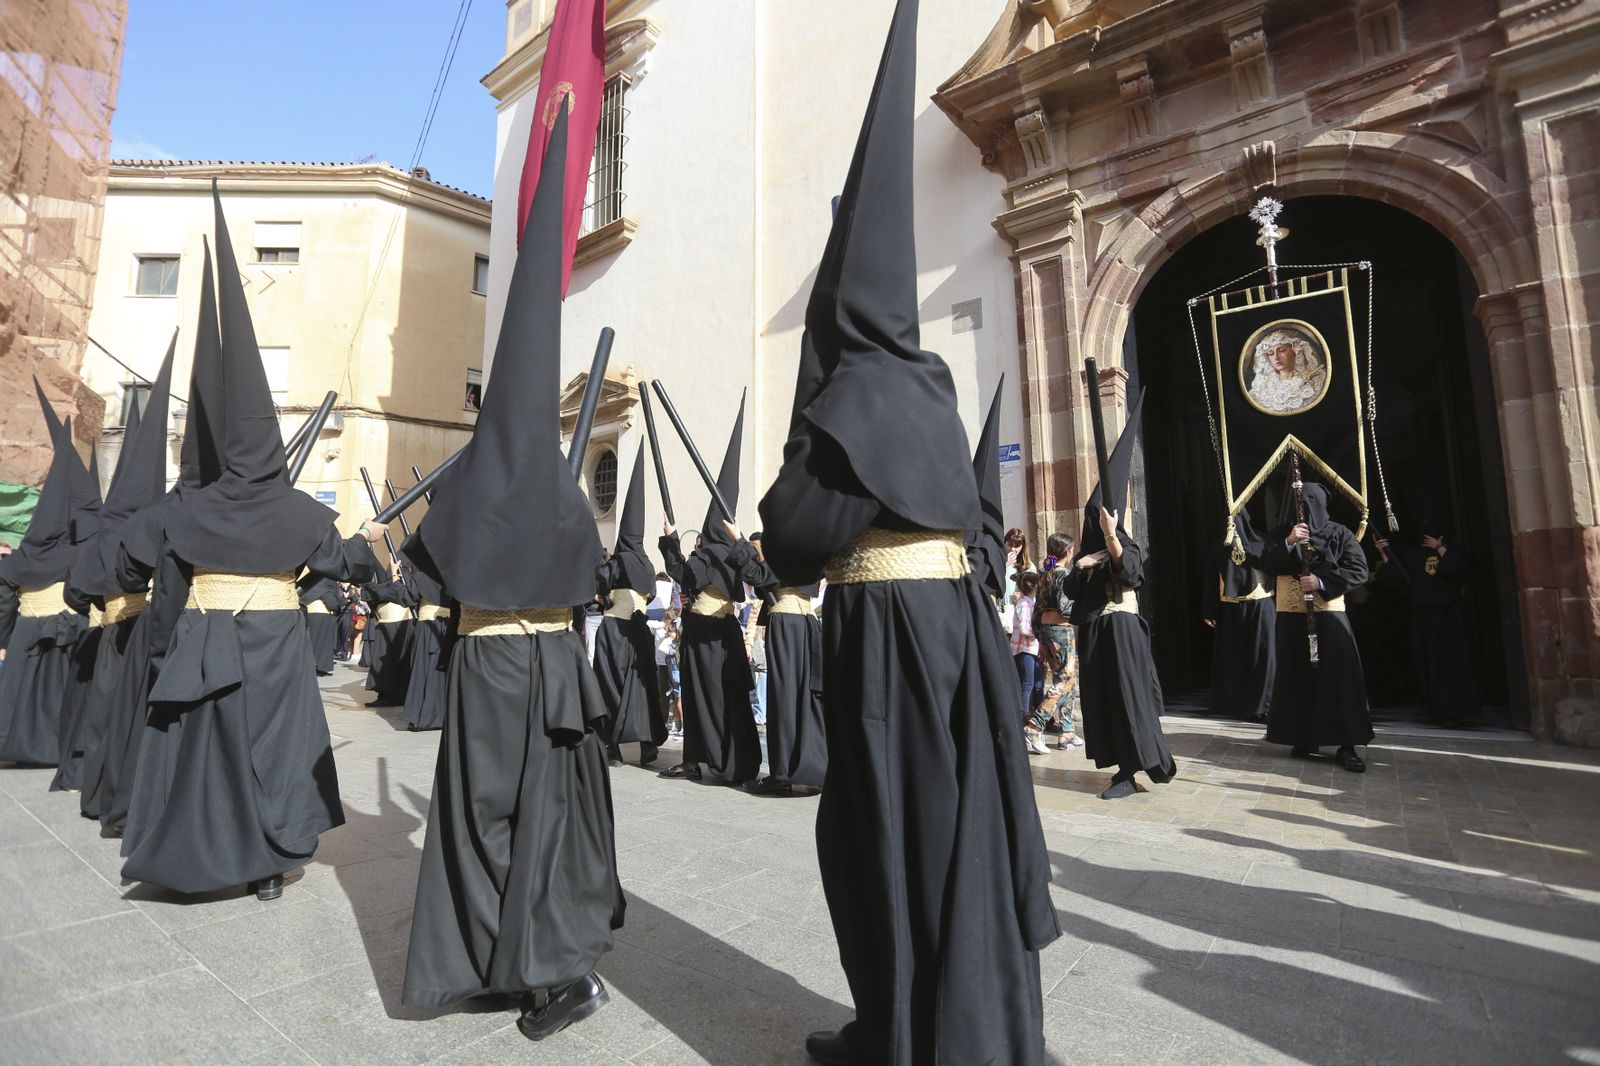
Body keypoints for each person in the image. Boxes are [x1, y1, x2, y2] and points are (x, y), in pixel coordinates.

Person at [758, 3, 1058, 1060]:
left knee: (883, 838)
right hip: (955, 635)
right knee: (960, 831)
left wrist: (806, 431)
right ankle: (970, 1028)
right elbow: (970, 523)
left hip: (884, 639)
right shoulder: (932, 390)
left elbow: (792, 540)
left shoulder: (850, 402)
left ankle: (903, 1035)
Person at [398, 108, 621, 1039]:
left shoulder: (469, 484)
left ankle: (537, 967)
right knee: (548, 817)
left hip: (492, 663)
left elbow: (424, 569)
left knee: (484, 816)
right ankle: (534, 965)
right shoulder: (567, 499)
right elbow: (593, 576)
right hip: (557, 667)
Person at [120, 187, 383, 902]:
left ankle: (193, 861)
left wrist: (164, 648)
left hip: (202, 636)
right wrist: (368, 542)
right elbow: (349, 565)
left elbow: (164, 582)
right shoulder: (299, 511)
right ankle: (268, 867)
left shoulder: (189, 509)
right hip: (274, 642)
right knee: (274, 751)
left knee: (208, 752)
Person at [73, 333, 178, 827]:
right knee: (130, 722)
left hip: (109, 630)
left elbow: (79, 590)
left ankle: (96, 799)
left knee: (103, 718)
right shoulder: (157, 520)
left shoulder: (104, 526)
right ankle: (124, 805)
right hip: (142, 630)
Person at [1062, 391, 1178, 800]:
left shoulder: (1124, 544)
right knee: (1104, 700)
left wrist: (1110, 536)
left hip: (1122, 630)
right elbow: (1069, 589)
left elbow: (1128, 572)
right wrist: (1080, 565)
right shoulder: (1085, 554)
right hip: (1095, 632)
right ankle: (1120, 766)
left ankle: (1135, 769)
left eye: (1100, 518)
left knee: (1128, 697)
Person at [656, 394, 763, 786]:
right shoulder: (734, 553)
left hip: (703, 635)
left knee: (704, 697)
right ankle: (737, 761)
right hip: (728, 633)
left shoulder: (706, 555)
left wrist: (671, 539)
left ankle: (706, 759)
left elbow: (681, 574)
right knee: (729, 697)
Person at [0, 392, 92, 769]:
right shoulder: (79, 553)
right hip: (70, 629)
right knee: (58, 694)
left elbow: (5, 601)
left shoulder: (21, 558)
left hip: (27, 631)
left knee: (23, 691)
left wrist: (4, 639)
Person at [1261, 480, 1373, 771]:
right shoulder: (1282, 534)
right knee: (1298, 676)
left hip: (1328, 617)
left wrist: (1321, 582)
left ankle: (1346, 744)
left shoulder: (1339, 533)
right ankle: (1302, 736)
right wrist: (1289, 542)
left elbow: (1358, 569)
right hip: (1292, 618)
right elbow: (1268, 565)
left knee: (1338, 679)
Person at [593, 450, 666, 765]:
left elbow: (600, 583)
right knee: (643, 685)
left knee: (610, 684)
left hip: (614, 629)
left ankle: (612, 745)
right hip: (640, 631)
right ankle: (648, 743)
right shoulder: (647, 563)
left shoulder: (619, 559)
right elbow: (651, 594)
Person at [1375, 516, 1480, 725]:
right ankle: (1436, 711)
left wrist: (1440, 548)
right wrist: (1384, 553)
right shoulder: (1413, 555)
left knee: (1453, 663)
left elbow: (1457, 569)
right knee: (1429, 663)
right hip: (1423, 616)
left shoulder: (1454, 551)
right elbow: (1394, 577)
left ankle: (1458, 711)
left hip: (1450, 616)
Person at [744, 531, 826, 796]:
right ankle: (811, 769)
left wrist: (740, 545)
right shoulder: (812, 550)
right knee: (806, 698)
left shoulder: (784, 553)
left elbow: (756, 576)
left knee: (784, 698)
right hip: (808, 622)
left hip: (785, 622)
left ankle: (783, 775)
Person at [1202, 509, 1276, 721]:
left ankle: (1263, 706)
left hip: (1260, 606)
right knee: (1234, 659)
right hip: (1230, 608)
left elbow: (1273, 568)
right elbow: (1211, 578)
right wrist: (1209, 609)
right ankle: (1232, 704)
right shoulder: (1218, 546)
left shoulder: (1261, 542)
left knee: (1263, 657)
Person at [1035, 534, 1081, 751]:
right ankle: (1034, 726)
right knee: (1064, 680)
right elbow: (1065, 607)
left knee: (1067, 679)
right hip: (1061, 631)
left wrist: (1040, 639)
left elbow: (1037, 610)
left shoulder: (1044, 574)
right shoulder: (1063, 574)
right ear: (1068, 551)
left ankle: (1067, 731)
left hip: (1047, 630)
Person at [1012, 570, 1051, 755]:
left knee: (1037, 684)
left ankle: (1036, 719)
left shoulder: (1029, 603)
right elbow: (1025, 628)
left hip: (1032, 650)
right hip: (1024, 649)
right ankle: (1024, 718)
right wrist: (1041, 633)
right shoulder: (1025, 604)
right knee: (1027, 685)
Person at [1247, 329, 1327, 414]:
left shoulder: (1315, 380)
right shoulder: (1262, 387)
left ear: (1295, 351)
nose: (1276, 357)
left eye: (1281, 351)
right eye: (1271, 353)